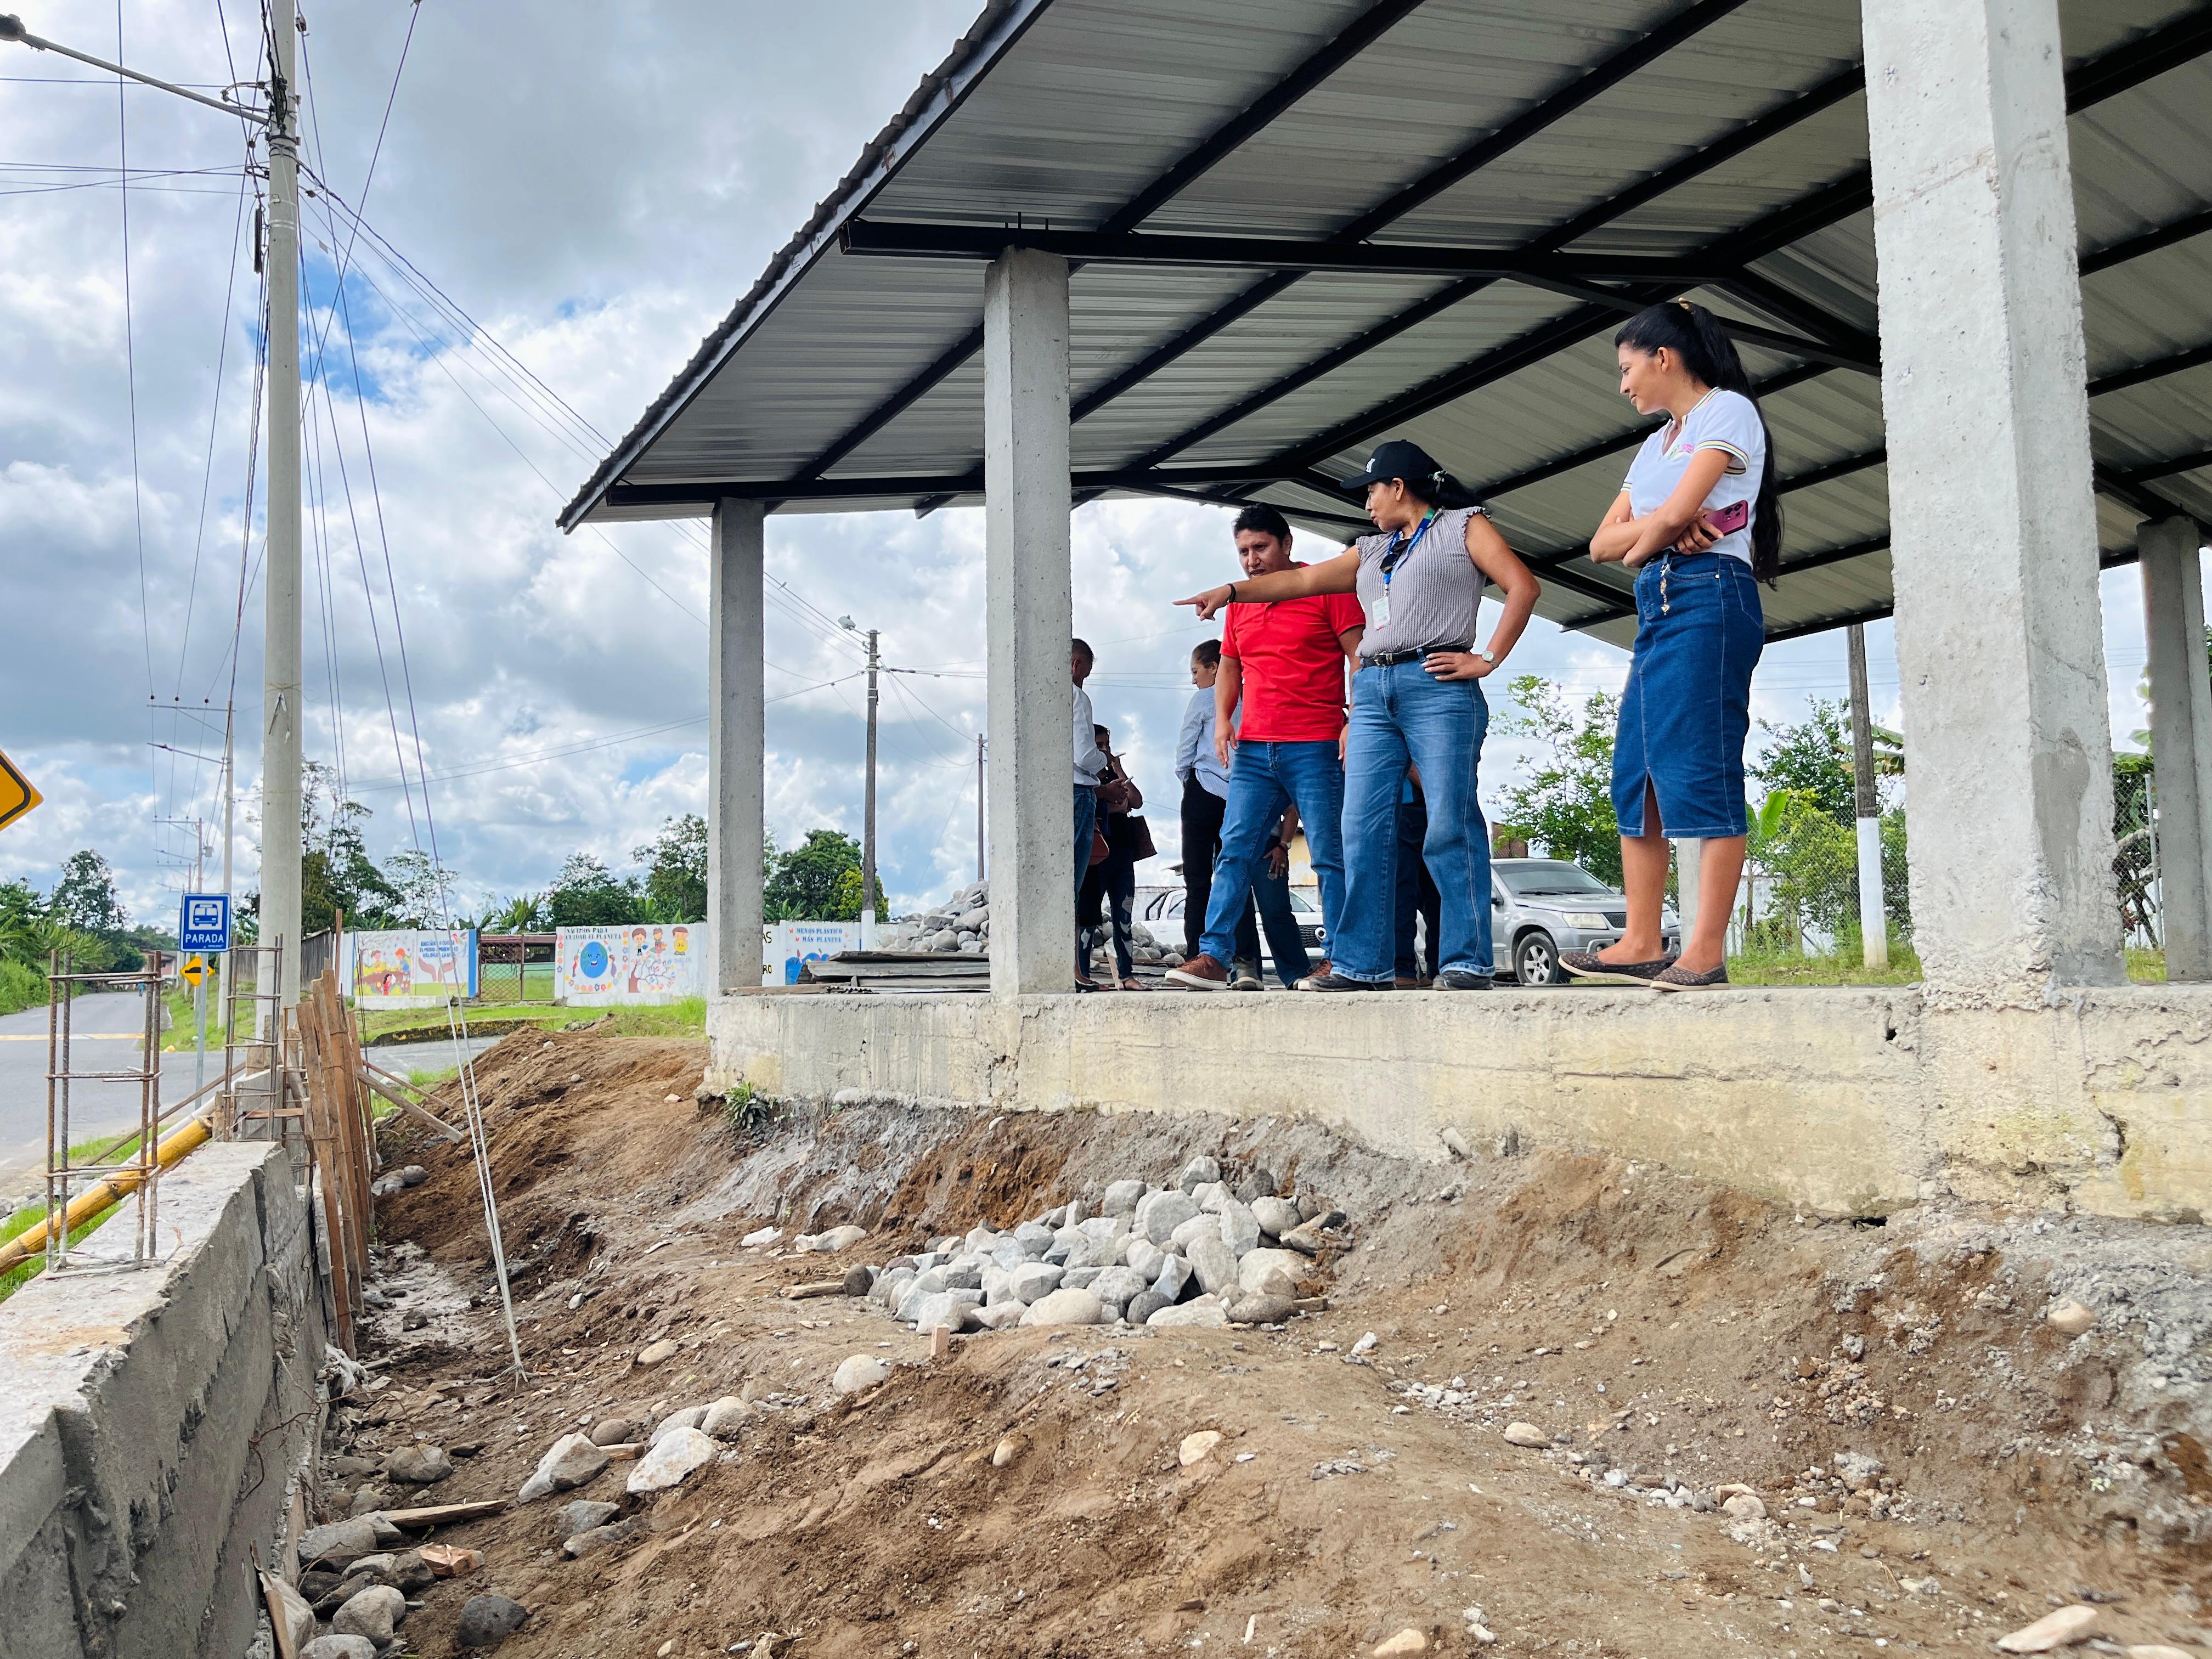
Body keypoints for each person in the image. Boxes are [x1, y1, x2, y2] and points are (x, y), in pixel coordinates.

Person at [1176, 439, 1540, 991]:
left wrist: (1488, 658)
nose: (1367, 504)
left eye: (1371, 491)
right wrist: (1231, 592)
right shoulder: (1370, 549)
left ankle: (1466, 961)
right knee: (1361, 828)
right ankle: (1361, 964)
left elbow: (1523, 586)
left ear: (1398, 486)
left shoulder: (1464, 526)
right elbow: (1300, 581)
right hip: (1372, 687)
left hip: (1437, 682)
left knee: (1448, 822)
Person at [1565, 300, 1778, 991]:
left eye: (1628, 369)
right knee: (1638, 770)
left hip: (1710, 593)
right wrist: (1656, 533)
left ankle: (1705, 952)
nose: (1623, 384)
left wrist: (1652, 533)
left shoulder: (1727, 412)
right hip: (1657, 601)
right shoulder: (1657, 444)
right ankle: (1641, 939)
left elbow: (1676, 518)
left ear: (1664, 358)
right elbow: (1601, 544)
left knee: (1701, 767)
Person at [1163, 505, 1363, 991]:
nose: (1252, 560)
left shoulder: (1327, 588)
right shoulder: (1241, 604)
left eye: (1261, 548)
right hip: (1254, 750)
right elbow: (1230, 665)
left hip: (1315, 744)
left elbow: (1359, 655)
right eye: (1243, 552)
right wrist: (1223, 721)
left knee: (1329, 856)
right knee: (1234, 852)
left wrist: (1354, 720)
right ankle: (1214, 956)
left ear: (1287, 544)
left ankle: (1340, 961)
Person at [1176, 639, 1311, 987]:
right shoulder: (1243, 699)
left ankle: (1214, 959)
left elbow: (1185, 750)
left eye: (1196, 671)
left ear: (1216, 668)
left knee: (1218, 880)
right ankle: (1239, 962)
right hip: (1240, 795)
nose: (1193, 679)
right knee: (1233, 873)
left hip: (1228, 796)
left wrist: (1192, 783)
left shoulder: (1215, 699)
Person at [1079, 725, 1146, 990]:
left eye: (1108, 744)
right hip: (1097, 858)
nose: (1105, 750)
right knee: (1088, 920)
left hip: (1123, 855)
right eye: (1099, 745)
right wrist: (1113, 804)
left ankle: (1126, 975)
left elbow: (1136, 801)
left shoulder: (1112, 774)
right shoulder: (1085, 777)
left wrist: (1118, 769)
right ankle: (1083, 974)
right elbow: (1103, 804)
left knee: (1124, 918)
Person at [1071, 638, 1109, 979]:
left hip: (1050, 792)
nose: (1085, 680)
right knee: (1072, 883)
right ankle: (1074, 970)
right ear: (1076, 665)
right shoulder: (1076, 697)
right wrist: (1104, 761)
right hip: (1079, 790)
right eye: (1086, 673)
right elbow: (1084, 756)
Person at [1393, 769, 1443, 986]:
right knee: (1435, 896)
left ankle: (1402, 968)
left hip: (1405, 804)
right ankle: (1436, 970)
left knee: (1401, 894)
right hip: (1431, 807)